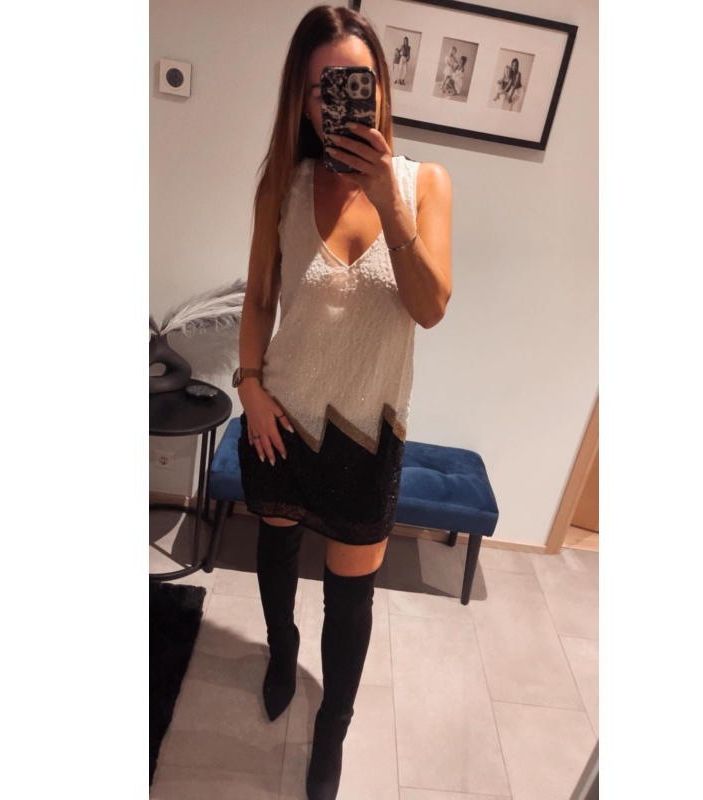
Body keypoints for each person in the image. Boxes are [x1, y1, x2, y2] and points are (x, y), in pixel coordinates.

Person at [235, 5, 452, 800]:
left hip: (368, 430)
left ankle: (333, 727)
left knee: (350, 597)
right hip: (279, 417)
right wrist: (249, 386)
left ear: (381, 88)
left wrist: (389, 203)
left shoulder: (426, 185)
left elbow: (430, 307)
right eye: (320, 86)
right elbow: (259, 298)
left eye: (353, 82)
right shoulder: (281, 185)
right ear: (300, 99)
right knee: (276, 550)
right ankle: (279, 648)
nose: (338, 100)